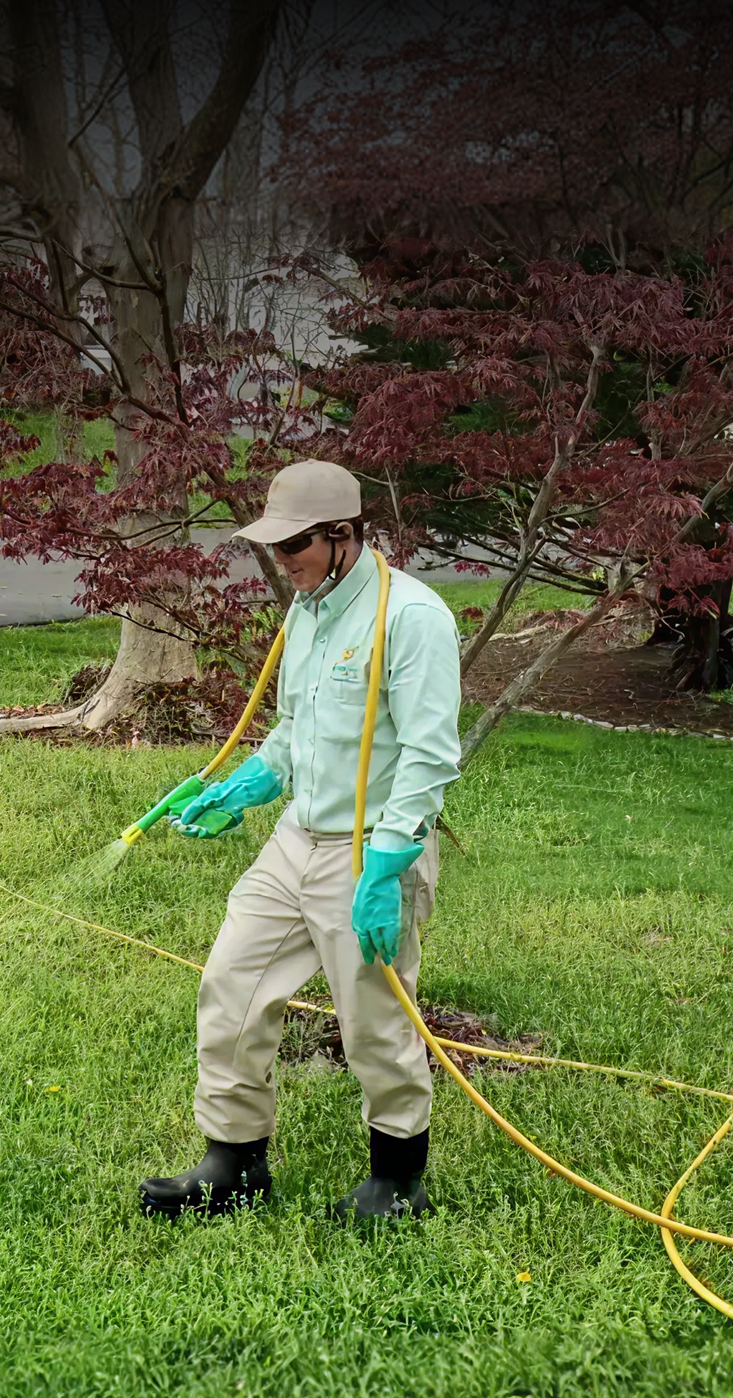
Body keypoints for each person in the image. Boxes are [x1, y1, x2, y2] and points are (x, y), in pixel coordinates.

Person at [138, 459, 461, 1223]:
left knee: (375, 1022)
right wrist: (246, 784)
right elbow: (293, 728)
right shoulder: (307, 610)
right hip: (295, 842)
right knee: (231, 983)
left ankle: (397, 1182)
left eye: (294, 546)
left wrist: (385, 869)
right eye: (274, 546)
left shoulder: (412, 617)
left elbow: (429, 757)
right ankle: (233, 1162)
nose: (282, 561)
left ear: (343, 534)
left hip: (370, 848)